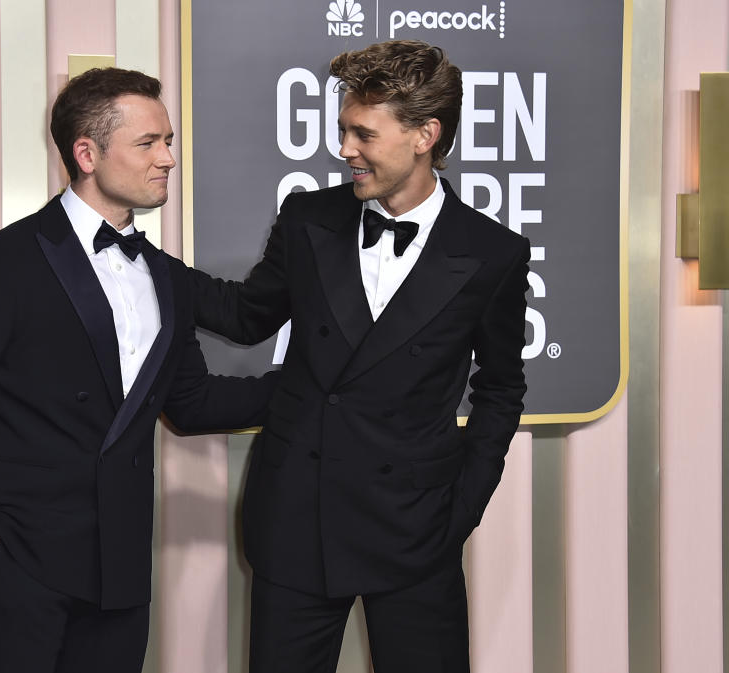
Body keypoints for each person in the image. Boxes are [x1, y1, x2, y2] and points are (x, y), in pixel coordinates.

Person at [0, 67, 275, 673]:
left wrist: (314, 390)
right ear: (87, 153)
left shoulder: (165, 277)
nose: (168, 158)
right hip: (16, 564)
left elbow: (192, 403)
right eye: (148, 143)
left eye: (169, 141)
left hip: (120, 569)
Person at [192, 40, 529, 672]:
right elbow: (246, 316)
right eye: (343, 129)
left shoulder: (493, 253)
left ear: (425, 134)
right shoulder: (309, 216)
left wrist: (462, 505)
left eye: (362, 133)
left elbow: (502, 387)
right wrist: (139, 266)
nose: (344, 148)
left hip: (415, 526)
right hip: (297, 518)